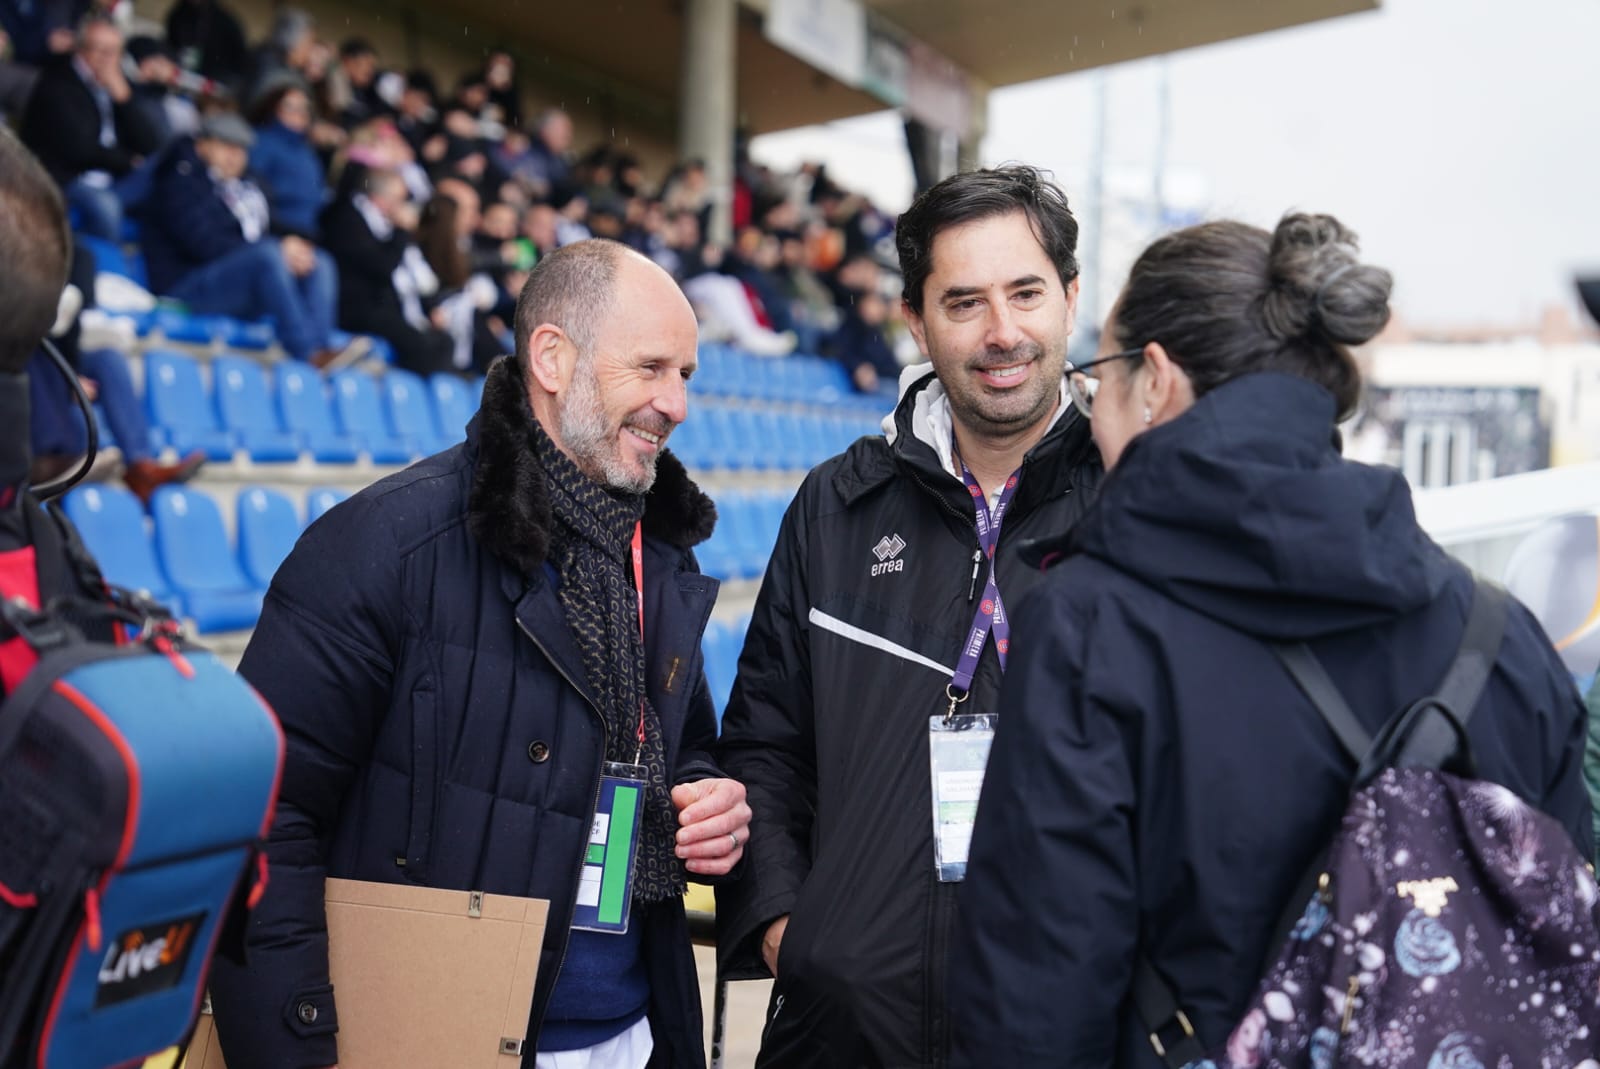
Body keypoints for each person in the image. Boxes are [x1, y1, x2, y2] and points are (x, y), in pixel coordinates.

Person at [945, 213, 1593, 1066]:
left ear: (1155, 381)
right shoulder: (1500, 633)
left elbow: (1033, 1002)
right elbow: (1568, 942)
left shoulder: (1091, 626)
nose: (1090, 405)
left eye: (1095, 375)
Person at [206, 238, 750, 1069]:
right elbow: (261, 821)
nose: (676, 404)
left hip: (635, 1037)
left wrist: (704, 795)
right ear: (553, 358)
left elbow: (686, 748)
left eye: (687, 375)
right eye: (651, 368)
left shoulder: (659, 558)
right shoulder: (384, 545)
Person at [714, 165, 1101, 1068]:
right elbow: (766, 744)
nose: (1002, 332)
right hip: (842, 1032)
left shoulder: (1134, 505)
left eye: (1026, 294)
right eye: (964, 302)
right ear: (917, 321)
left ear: (1071, 300)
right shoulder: (837, 506)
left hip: (1060, 1034)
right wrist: (787, 929)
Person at [141, 112, 357, 368]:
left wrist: (294, 245)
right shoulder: (180, 179)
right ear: (202, 145)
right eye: (226, 146)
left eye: (241, 150)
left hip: (237, 281)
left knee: (317, 259)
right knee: (268, 255)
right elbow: (204, 243)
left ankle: (322, 346)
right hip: (187, 286)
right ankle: (307, 352)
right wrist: (278, 250)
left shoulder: (250, 186)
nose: (234, 156)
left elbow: (269, 228)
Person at [18, 16, 161, 241]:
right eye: (100, 51)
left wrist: (123, 98)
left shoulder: (117, 82)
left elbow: (149, 142)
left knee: (164, 179)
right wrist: (129, 160)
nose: (106, 60)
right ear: (81, 50)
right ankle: (102, 267)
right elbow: (78, 150)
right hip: (67, 177)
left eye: (114, 52)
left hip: (113, 174)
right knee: (107, 207)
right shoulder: (58, 81)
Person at [320, 167, 458, 376]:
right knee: (419, 345)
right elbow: (383, 266)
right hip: (358, 306)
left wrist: (429, 308)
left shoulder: (381, 225)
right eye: (398, 199)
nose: (401, 206)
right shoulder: (348, 218)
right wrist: (401, 230)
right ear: (380, 198)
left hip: (386, 306)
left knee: (444, 340)